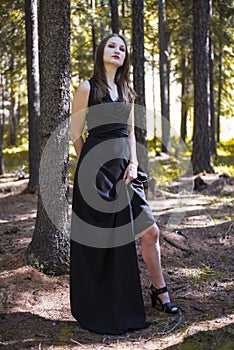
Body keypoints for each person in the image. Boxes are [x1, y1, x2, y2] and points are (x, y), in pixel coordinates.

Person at [70, 33, 179, 335]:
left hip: (127, 173)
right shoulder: (87, 88)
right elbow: (76, 134)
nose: (117, 51)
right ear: (101, 52)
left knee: (151, 231)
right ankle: (101, 305)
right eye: (111, 46)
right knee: (105, 243)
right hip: (97, 176)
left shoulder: (127, 90)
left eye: (122, 48)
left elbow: (130, 133)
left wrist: (133, 163)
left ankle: (160, 291)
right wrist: (92, 167)